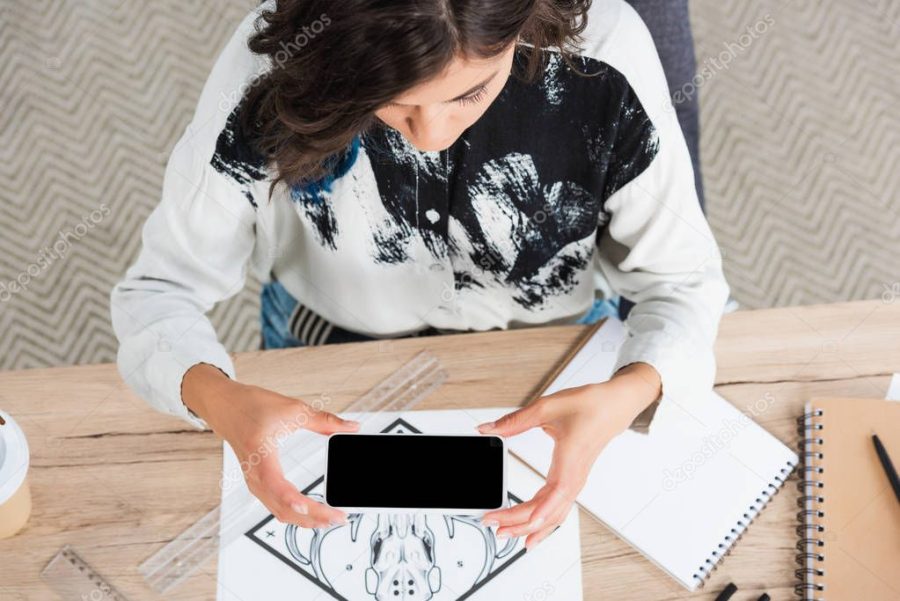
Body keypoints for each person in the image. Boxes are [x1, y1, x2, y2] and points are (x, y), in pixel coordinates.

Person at [111, 0, 728, 549]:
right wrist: (218, 398)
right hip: (326, 338)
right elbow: (161, 291)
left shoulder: (607, 54)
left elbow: (684, 284)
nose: (430, 135)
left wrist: (635, 386)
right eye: (397, 101)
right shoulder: (267, 71)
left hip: (555, 343)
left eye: (470, 92)